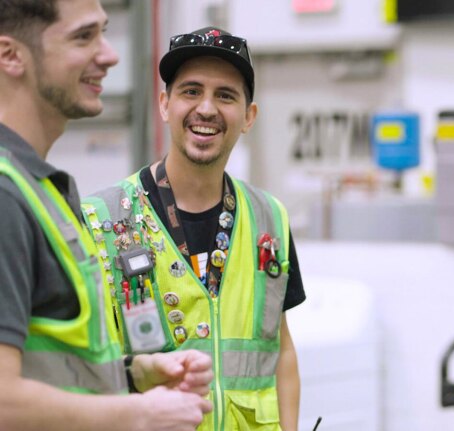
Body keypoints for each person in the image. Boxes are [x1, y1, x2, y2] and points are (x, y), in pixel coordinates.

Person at [0, 0, 215, 430]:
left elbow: (50, 368)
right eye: (84, 36)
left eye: (104, 32)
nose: (111, 54)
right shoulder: (6, 197)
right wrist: (137, 414)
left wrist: (132, 376)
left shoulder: (41, 188)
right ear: (10, 56)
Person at [82, 26, 306, 431]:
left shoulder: (269, 218)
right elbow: (80, 365)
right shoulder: (101, 218)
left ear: (248, 116)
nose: (207, 108)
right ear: (165, 104)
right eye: (191, 91)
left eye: (225, 95)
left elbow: (282, 350)